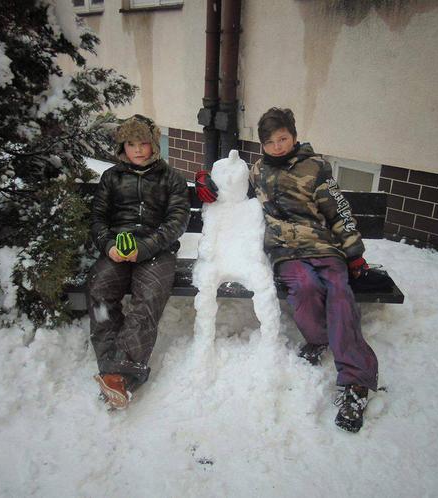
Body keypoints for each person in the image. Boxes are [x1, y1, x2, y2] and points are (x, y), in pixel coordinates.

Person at [195, 107, 378, 432]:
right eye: (270, 141)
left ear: (293, 136)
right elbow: (232, 193)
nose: (278, 146)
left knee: (338, 290)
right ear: (263, 144)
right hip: (286, 253)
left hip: (323, 246)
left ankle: (356, 380)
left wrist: (353, 252)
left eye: (283, 139)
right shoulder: (258, 171)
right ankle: (321, 337)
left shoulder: (316, 168)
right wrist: (206, 183)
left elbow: (340, 212)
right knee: (304, 287)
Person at [89, 114, 190, 409]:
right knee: (100, 292)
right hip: (117, 251)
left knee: (147, 301)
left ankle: (119, 375)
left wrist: (145, 247)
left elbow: (177, 221)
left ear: (153, 144)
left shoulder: (171, 178)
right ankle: (114, 370)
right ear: (123, 146)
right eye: (131, 143)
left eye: (143, 143)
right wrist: (108, 245)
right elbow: (97, 218)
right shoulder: (112, 177)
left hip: (157, 251)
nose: (138, 150)